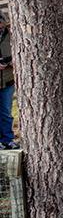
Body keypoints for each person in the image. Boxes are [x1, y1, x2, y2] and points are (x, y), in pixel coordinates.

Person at [0, 10, 16, 150]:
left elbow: (21, 52)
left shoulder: (11, 34)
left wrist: (10, 62)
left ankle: (8, 139)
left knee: (6, 111)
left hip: (7, 80)